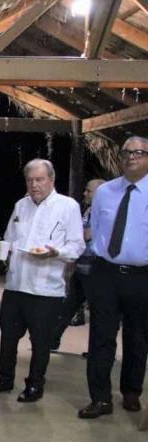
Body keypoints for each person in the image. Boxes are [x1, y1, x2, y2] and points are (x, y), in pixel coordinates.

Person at [0, 159, 84, 402]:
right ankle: (5, 378)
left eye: (39, 180)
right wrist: (1, 249)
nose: (34, 185)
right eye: (29, 180)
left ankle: (35, 384)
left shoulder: (67, 207)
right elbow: (9, 237)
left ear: (52, 180)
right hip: (16, 285)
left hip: (46, 288)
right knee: (8, 336)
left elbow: (77, 245)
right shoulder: (21, 205)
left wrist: (56, 252)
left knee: (40, 342)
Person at [78, 136, 148, 419]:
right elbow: (95, 229)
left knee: (137, 338)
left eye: (139, 152)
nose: (131, 156)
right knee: (100, 338)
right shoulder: (105, 192)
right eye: (126, 152)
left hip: (142, 276)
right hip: (106, 273)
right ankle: (100, 399)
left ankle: (131, 393)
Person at [51, 178, 105, 351]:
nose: (85, 193)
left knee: (99, 314)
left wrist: (71, 235)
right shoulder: (89, 210)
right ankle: (52, 340)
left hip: (96, 269)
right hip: (83, 266)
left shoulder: (105, 212)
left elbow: (87, 234)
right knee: (67, 307)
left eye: (89, 191)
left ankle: (98, 351)